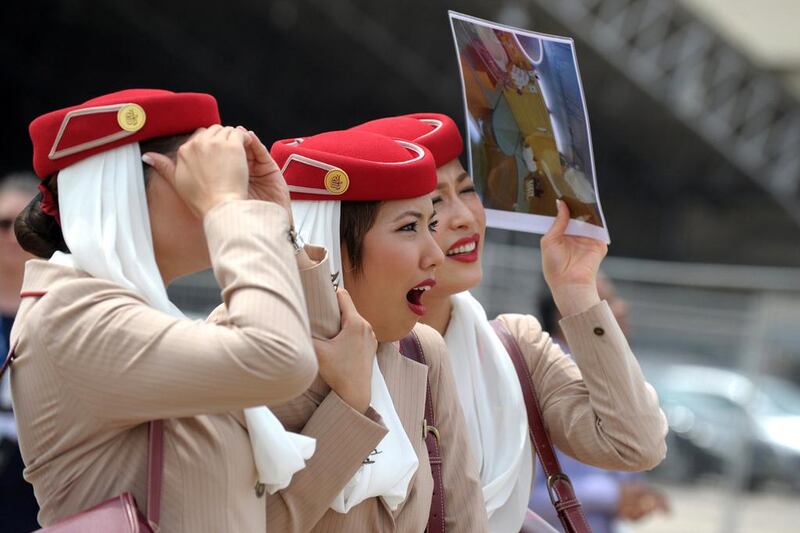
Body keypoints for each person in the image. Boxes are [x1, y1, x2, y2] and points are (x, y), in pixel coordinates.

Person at [9, 89, 320, 530]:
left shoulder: (131, 314)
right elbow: (279, 357)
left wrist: (276, 227)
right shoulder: (72, 317)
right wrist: (230, 208)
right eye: (203, 178)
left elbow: (318, 351)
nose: (217, 193)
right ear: (125, 191)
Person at [353, 113, 668, 532]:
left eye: (466, 191)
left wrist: (575, 288)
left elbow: (636, 444)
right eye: (430, 206)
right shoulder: (338, 351)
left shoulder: (513, 348)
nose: (465, 216)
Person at [250, 129, 489, 531]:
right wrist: (348, 404)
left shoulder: (421, 351)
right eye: (409, 228)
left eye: (430, 226)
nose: (434, 256)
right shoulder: (248, 355)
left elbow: (463, 520)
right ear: (330, 243)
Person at [529, 273, 670, 532]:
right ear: (567, 309)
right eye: (605, 301)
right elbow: (528, 499)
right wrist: (613, 497)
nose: (621, 308)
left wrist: (635, 498)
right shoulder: (544, 379)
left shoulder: (613, 377)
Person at [0, 172, 40, 531]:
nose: (12, 235)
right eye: (3, 223)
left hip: (38, 485)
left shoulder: (62, 308)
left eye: (23, 223)